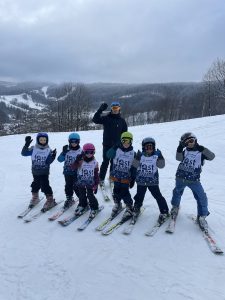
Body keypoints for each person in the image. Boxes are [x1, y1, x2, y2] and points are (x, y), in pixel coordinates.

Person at [170, 132, 215, 231]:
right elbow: (178, 158)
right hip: (180, 178)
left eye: (192, 140)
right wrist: (179, 148)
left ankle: (202, 216)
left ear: (195, 140)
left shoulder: (200, 152)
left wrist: (202, 149)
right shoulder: (184, 151)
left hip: (194, 180)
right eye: (187, 142)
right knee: (177, 192)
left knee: (201, 196)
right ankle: (175, 207)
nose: (190, 143)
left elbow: (212, 157)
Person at [131, 137, 169, 223]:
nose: (149, 149)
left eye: (151, 147)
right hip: (141, 181)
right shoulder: (140, 155)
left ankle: (164, 211)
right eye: (147, 147)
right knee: (139, 196)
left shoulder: (156, 156)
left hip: (153, 182)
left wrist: (160, 156)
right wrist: (137, 158)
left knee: (158, 196)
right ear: (143, 147)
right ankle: (137, 208)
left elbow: (161, 165)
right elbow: (134, 166)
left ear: (154, 147)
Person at [92, 101, 127, 185]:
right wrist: (100, 110)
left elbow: (124, 134)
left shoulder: (122, 121)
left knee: (114, 163)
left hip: (117, 146)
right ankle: (101, 178)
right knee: (105, 162)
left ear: (119, 109)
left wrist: (121, 144)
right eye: (114, 108)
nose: (115, 110)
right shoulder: (107, 118)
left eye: (117, 108)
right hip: (107, 145)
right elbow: (95, 120)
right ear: (111, 109)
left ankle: (112, 177)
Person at [21, 132, 57, 212]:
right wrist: (26, 145)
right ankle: (35, 197)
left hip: (44, 172)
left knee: (45, 185)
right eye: (41, 139)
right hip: (35, 171)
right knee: (35, 184)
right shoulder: (34, 148)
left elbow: (48, 162)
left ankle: (50, 200)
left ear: (47, 140)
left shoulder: (48, 150)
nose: (43, 141)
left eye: (44, 140)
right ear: (38, 140)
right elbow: (24, 153)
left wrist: (53, 157)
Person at [106, 132, 135, 220]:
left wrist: (133, 178)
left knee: (125, 192)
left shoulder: (133, 153)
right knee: (116, 191)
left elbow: (134, 167)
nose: (126, 143)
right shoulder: (117, 150)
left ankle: (129, 206)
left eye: (128, 141)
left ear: (131, 142)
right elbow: (108, 155)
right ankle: (117, 204)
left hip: (126, 178)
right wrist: (114, 147)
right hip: (116, 176)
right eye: (124, 141)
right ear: (121, 141)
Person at [71, 143, 100, 218]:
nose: (89, 154)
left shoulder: (95, 162)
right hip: (81, 182)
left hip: (90, 183)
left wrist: (96, 184)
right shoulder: (80, 160)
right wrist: (77, 161)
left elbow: (96, 174)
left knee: (90, 195)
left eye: (92, 152)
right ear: (84, 152)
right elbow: (73, 167)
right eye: (87, 152)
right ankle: (83, 205)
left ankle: (95, 207)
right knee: (82, 195)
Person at [57, 132, 82, 209]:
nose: (74, 143)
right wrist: (64, 153)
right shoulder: (66, 150)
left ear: (78, 142)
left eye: (76, 141)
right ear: (69, 141)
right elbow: (59, 159)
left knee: (76, 186)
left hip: (76, 173)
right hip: (67, 172)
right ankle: (69, 199)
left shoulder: (81, 151)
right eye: (72, 141)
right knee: (68, 186)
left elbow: (85, 162)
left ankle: (82, 201)